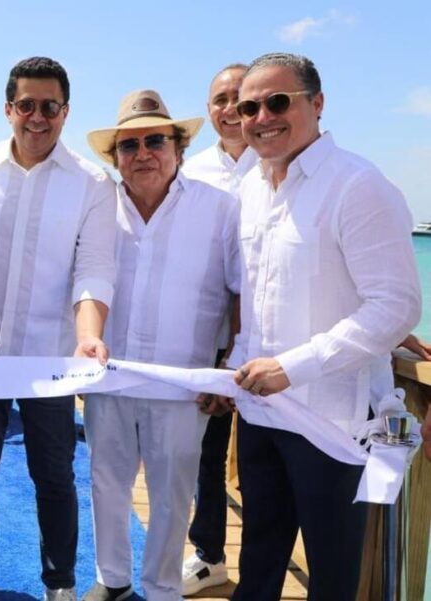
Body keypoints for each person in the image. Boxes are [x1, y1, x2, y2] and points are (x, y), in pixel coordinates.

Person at [229, 52, 420, 601]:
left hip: (332, 422)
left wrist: (293, 367)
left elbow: (396, 306)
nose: (262, 117)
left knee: (333, 577)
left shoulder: (358, 185)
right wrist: (234, 367)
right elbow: (256, 297)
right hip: (260, 413)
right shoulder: (250, 188)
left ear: (317, 103)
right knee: (258, 560)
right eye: (249, 108)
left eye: (277, 102)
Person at [0, 56, 115, 601]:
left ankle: (60, 583)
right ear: (7, 109)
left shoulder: (93, 183)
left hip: (50, 358)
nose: (37, 117)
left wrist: (88, 336)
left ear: (66, 112)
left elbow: (93, 272)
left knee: (55, 475)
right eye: (26, 105)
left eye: (49, 107)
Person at [81, 90, 241, 601]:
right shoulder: (96, 207)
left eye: (155, 140)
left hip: (182, 382)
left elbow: (241, 291)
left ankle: (163, 589)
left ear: (179, 148)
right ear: (115, 158)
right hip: (109, 375)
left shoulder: (221, 209)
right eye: (129, 145)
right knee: (106, 483)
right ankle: (113, 580)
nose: (143, 153)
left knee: (173, 494)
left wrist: (230, 365)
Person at [176, 62, 253, 596]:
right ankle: (209, 555)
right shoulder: (193, 171)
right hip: (209, 337)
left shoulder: (281, 165)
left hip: (275, 341)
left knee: (266, 458)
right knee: (206, 451)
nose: (230, 109)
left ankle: (265, 562)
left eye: (240, 98)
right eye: (220, 99)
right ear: (208, 109)